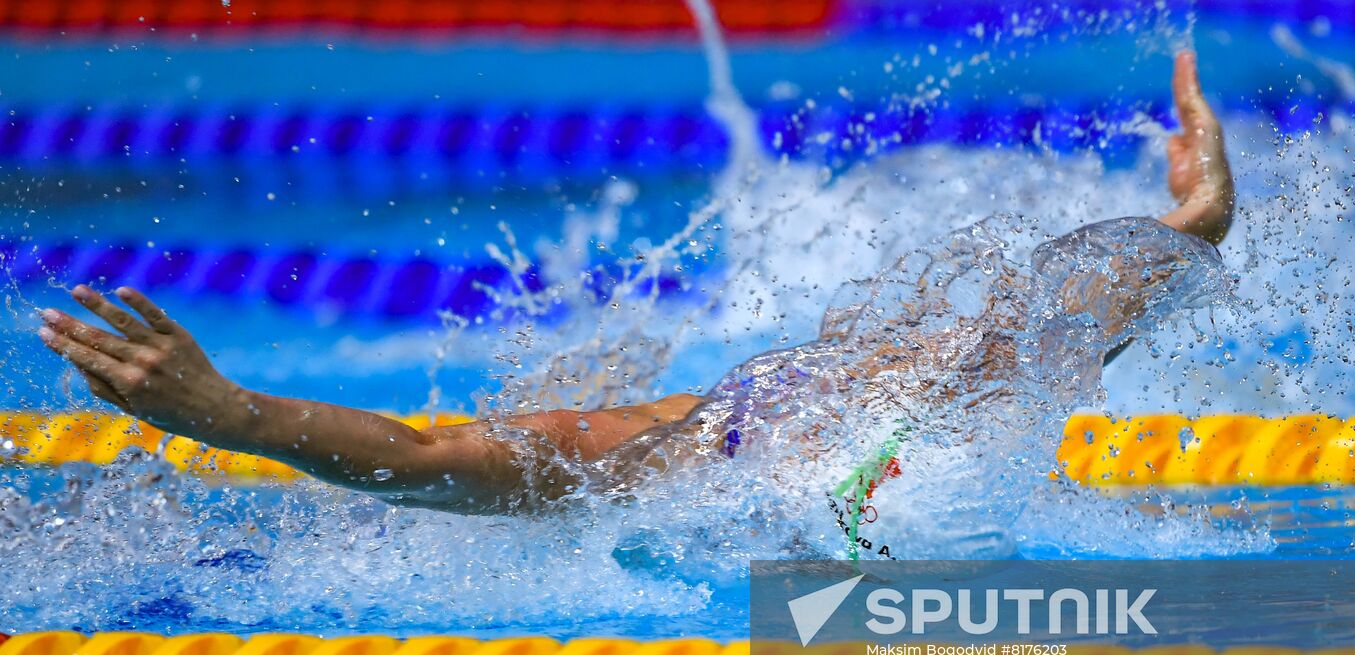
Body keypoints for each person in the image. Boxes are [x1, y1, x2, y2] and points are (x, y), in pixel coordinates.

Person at [37, 51, 1234, 515]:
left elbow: (1106, 301)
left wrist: (1198, 215)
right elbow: (413, 458)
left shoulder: (949, 396)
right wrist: (229, 415)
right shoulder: (656, 455)